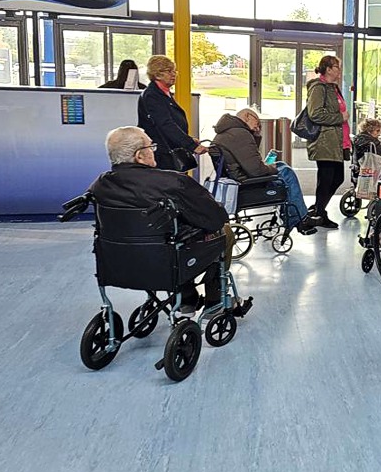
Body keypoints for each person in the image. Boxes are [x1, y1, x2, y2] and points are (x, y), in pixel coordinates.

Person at [88, 126, 242, 316]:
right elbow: (216, 218)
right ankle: (214, 299)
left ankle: (187, 299)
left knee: (172, 239)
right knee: (224, 232)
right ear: (139, 156)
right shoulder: (173, 182)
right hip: (167, 258)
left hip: (120, 262)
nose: (154, 150)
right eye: (151, 146)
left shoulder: (100, 184)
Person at [212, 108, 319, 235]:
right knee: (286, 173)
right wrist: (271, 168)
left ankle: (297, 217)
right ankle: (300, 219)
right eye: (257, 122)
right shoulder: (240, 134)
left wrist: (256, 134)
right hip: (246, 181)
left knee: (282, 166)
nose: (258, 126)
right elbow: (256, 170)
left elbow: (249, 158)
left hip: (237, 176)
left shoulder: (226, 132)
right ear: (247, 116)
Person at [137, 55, 207, 170]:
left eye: (174, 71)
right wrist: (191, 145)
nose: (174, 74)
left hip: (167, 151)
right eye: (169, 71)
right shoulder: (152, 96)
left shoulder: (163, 93)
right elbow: (165, 124)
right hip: (161, 155)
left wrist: (188, 139)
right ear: (157, 74)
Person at [306, 55, 350, 229]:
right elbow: (315, 113)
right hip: (325, 142)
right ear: (328, 69)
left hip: (336, 142)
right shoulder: (319, 88)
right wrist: (340, 117)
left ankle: (318, 208)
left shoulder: (333, 88)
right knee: (327, 179)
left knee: (337, 178)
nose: (339, 70)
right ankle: (319, 214)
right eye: (337, 67)